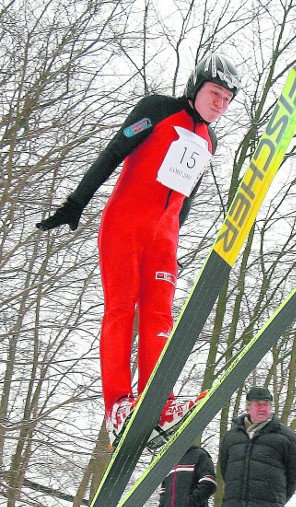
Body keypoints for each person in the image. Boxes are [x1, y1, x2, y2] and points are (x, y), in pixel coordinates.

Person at [37, 53, 240, 447]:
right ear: (196, 88)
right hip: (125, 224)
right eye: (215, 93)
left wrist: (173, 240)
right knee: (121, 307)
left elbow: (187, 194)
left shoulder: (209, 140)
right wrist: (76, 203)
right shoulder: (157, 109)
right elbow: (113, 153)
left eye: (227, 99)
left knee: (159, 315)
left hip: (163, 238)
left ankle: (159, 404)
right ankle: (117, 404)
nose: (220, 104)